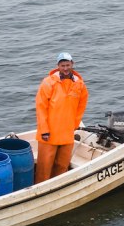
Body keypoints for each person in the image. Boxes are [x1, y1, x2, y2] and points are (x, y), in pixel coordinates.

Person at [33, 52, 88, 184]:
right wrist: (44, 130)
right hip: (49, 134)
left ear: (72, 64)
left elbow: (81, 106)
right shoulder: (48, 83)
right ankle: (40, 190)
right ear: (58, 66)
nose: (65, 68)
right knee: (44, 167)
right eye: (62, 65)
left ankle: (58, 187)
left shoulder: (79, 84)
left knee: (62, 165)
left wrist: (74, 125)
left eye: (67, 65)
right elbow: (41, 107)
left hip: (67, 133)